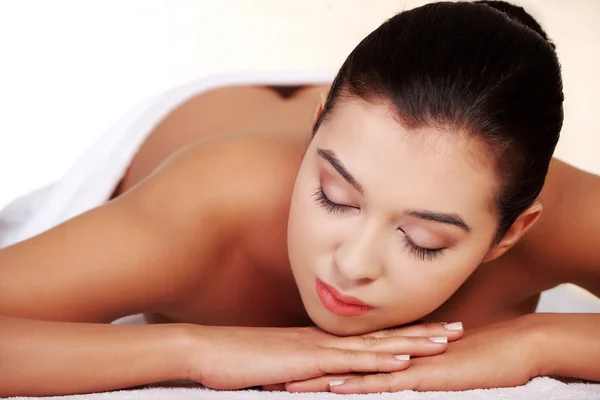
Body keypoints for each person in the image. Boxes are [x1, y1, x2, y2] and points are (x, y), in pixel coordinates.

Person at [0, 0, 598, 396]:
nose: (352, 263)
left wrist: (538, 342)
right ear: (315, 137)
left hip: (398, 127)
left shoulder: (548, 206)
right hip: (220, 134)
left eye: (423, 239)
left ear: (512, 232)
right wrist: (196, 349)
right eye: (334, 198)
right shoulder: (211, 207)